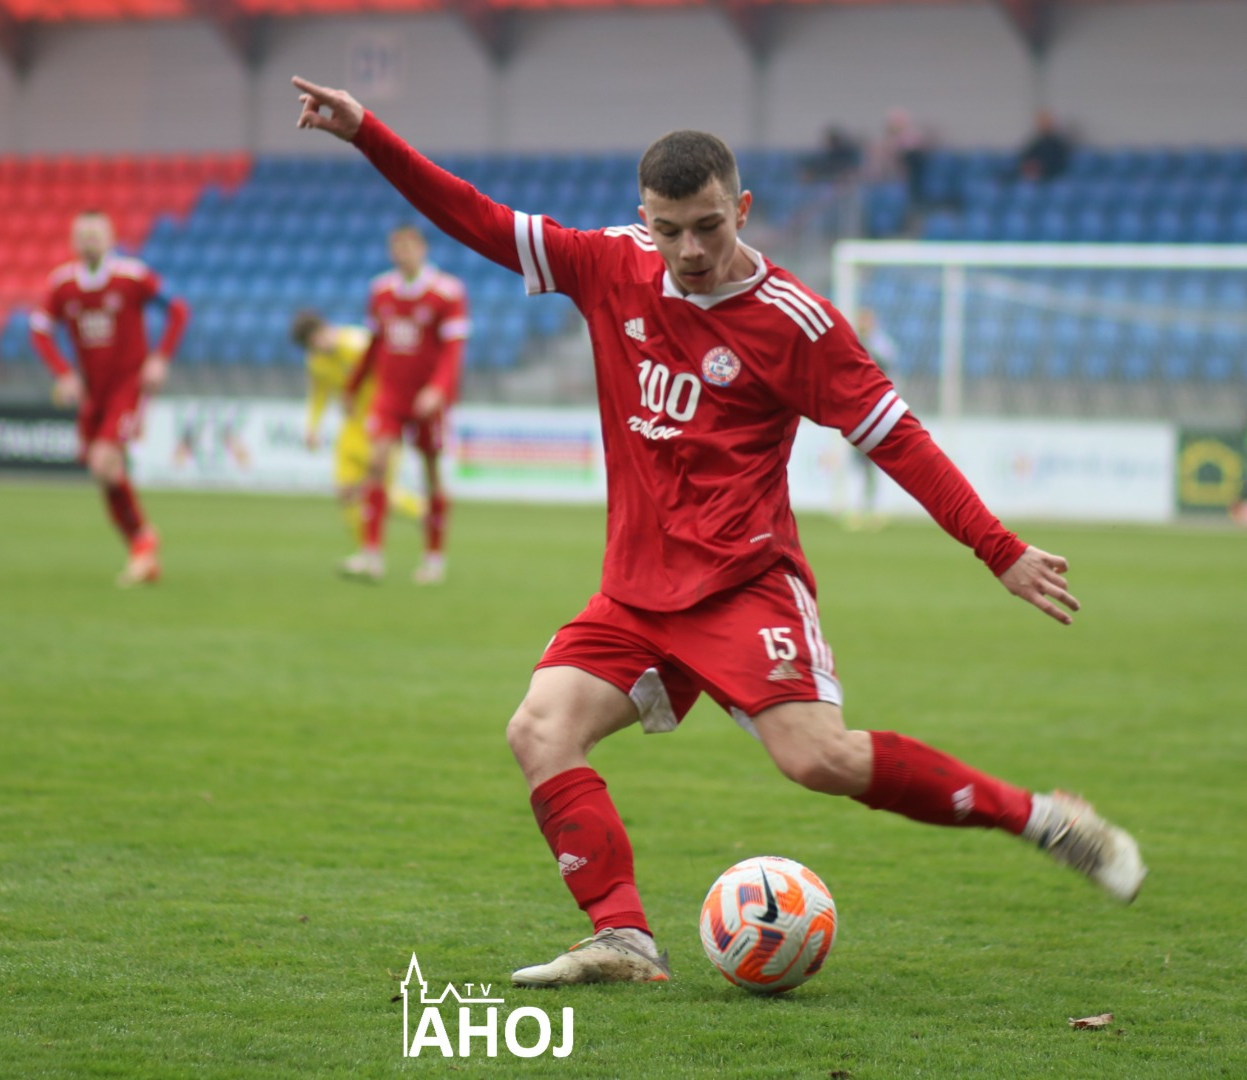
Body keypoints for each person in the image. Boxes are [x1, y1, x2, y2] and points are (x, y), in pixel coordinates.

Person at [294, 75, 1148, 986]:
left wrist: (999, 549)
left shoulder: (796, 324)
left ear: (740, 209)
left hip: (743, 586)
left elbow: (897, 439)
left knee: (815, 760)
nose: (689, 250)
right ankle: (622, 936)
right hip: (635, 592)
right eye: (669, 230)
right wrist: (369, 134)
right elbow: (475, 217)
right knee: (538, 730)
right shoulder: (608, 264)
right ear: (644, 219)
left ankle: (1044, 819)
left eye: (708, 226)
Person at [30, 210, 189, 587]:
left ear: (111, 238)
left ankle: (143, 543)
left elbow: (178, 311)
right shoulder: (63, 284)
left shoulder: (132, 276)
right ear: (73, 241)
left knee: (104, 461)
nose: (89, 240)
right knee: (104, 473)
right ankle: (142, 547)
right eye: (83, 234)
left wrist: (160, 358)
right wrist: (63, 373)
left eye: (96, 233)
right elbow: (39, 330)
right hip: (93, 389)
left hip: (127, 384)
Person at [338, 224, 467, 585]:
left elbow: (453, 350)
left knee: (431, 474)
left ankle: (434, 558)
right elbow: (374, 344)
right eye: (396, 248)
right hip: (391, 395)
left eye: (409, 247)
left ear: (423, 249)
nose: (402, 254)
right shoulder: (380, 291)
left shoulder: (447, 292)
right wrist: (352, 388)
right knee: (377, 463)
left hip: (427, 399)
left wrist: (438, 389)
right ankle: (371, 555)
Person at [291, 309, 422, 552]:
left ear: (325, 328)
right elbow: (319, 394)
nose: (318, 347)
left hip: (381, 426)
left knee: (376, 491)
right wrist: (312, 427)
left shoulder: (358, 343)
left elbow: (392, 372)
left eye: (317, 339)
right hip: (351, 429)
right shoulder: (316, 362)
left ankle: (423, 512)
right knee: (345, 493)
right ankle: (367, 552)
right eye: (311, 346)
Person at [844, 307, 899, 531]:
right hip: (856, 412)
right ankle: (858, 509)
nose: (863, 324)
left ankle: (875, 509)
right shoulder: (853, 342)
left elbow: (888, 373)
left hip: (877, 411)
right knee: (859, 464)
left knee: (877, 463)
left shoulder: (881, 346)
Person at [1017, 110, 1073, 183]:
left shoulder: (1058, 144)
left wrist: (1040, 167)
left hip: (1049, 176)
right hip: (1033, 175)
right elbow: (1026, 157)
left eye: (1045, 123)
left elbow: (1059, 163)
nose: (1042, 125)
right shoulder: (1036, 142)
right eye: (1041, 123)